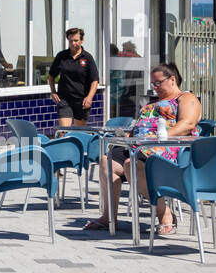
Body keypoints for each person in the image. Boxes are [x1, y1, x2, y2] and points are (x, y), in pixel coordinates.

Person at [84, 62, 200, 234]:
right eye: (153, 84)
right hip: (139, 146)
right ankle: (109, 217)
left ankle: (165, 213)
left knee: (132, 165)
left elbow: (188, 124)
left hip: (165, 149)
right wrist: (127, 137)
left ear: (172, 79)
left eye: (158, 83)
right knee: (106, 161)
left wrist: (160, 136)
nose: (155, 88)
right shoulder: (152, 104)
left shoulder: (185, 98)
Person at [48, 28, 100, 127]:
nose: (73, 43)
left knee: (78, 132)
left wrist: (89, 98)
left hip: (82, 100)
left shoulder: (87, 57)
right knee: (64, 131)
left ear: (82, 40)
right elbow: (51, 76)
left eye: (76, 40)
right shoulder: (61, 56)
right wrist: (53, 92)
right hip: (64, 99)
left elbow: (95, 80)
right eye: (70, 41)